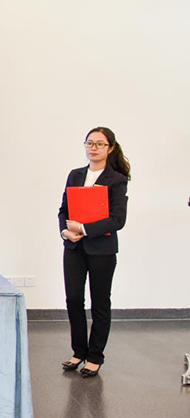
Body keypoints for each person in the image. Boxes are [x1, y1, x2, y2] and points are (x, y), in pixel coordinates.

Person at [58, 127, 129, 378]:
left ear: (110, 148)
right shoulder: (75, 175)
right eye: (90, 143)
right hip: (74, 248)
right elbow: (63, 210)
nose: (94, 148)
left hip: (102, 250)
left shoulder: (116, 179)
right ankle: (79, 351)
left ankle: (95, 356)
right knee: (73, 300)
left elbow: (118, 219)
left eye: (100, 144)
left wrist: (84, 229)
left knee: (99, 302)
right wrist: (65, 232)